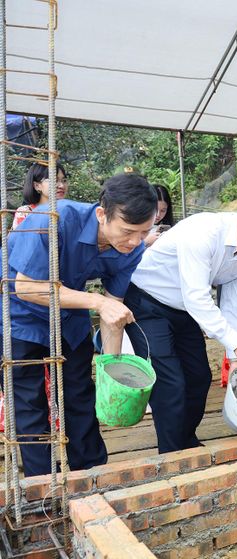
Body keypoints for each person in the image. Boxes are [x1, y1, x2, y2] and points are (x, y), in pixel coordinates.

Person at [2, 173, 157, 476]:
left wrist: (113, 369)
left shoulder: (132, 249)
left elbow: (113, 309)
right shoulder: (51, 219)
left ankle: (91, 473)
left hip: (69, 316)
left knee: (79, 392)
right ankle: (42, 483)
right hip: (18, 315)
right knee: (30, 402)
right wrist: (98, 302)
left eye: (144, 232)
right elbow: (27, 288)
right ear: (102, 214)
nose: (136, 241)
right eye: (128, 231)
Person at [125, 183, 237, 453]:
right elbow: (197, 297)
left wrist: (234, 355)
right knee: (170, 381)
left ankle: (186, 439)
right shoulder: (203, 231)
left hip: (185, 310)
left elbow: (233, 303)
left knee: (199, 376)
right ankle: (172, 454)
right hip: (148, 302)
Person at [12, 162, 69, 230]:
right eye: (54, 180)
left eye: (64, 180)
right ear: (37, 186)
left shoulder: (68, 212)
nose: (61, 185)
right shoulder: (26, 212)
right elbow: (21, 239)